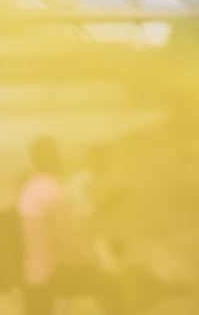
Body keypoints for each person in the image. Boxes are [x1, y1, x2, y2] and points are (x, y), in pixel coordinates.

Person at [16, 135, 125, 315]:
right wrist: (88, 262)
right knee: (111, 285)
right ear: (54, 159)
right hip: (53, 274)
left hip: (31, 275)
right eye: (57, 155)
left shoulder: (28, 189)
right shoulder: (54, 193)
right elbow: (68, 243)